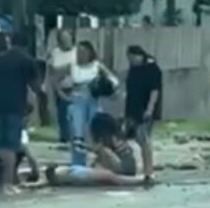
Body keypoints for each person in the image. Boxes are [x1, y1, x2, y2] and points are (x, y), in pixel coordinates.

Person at [0, 32, 41, 195]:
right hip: (15, 106)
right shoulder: (27, 60)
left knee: (1, 143)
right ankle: (7, 183)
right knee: (11, 145)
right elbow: (36, 86)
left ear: (11, 42)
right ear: (27, 43)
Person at [45, 113, 142, 187]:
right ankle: (58, 175)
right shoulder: (113, 141)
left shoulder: (110, 144)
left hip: (118, 173)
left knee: (100, 174)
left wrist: (98, 151)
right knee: (77, 170)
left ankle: (58, 177)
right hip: (115, 171)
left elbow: (116, 167)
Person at [65, 41, 118, 167]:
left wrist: (106, 87)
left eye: (83, 52)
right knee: (77, 133)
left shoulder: (97, 66)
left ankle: (100, 161)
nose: (80, 55)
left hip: (93, 101)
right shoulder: (73, 66)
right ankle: (78, 163)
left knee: (96, 132)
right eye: (78, 52)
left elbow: (114, 80)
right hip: (77, 101)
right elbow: (59, 81)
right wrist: (65, 94)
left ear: (90, 53)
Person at [124, 45, 162, 188]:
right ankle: (143, 169)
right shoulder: (133, 70)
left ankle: (149, 172)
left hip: (145, 109)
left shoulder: (152, 69)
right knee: (137, 139)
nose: (131, 61)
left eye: (132, 58)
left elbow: (155, 90)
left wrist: (150, 109)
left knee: (144, 139)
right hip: (132, 108)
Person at [47, 30, 76, 143]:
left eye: (68, 38)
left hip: (75, 88)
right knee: (63, 116)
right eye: (63, 39)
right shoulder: (55, 53)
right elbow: (52, 72)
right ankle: (65, 139)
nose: (66, 41)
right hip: (60, 89)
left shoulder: (77, 52)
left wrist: (62, 71)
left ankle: (76, 138)